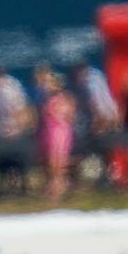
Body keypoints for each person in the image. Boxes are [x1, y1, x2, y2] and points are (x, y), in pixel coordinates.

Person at [0, 66, 33, 195]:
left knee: (17, 159)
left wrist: (17, 126)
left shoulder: (9, 87)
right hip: (0, 129)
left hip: (13, 128)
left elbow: (20, 108)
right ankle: (5, 185)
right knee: (2, 159)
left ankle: (23, 185)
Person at [37, 69, 77, 202]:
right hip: (48, 131)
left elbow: (70, 114)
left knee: (58, 161)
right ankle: (53, 185)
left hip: (59, 131)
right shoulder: (46, 99)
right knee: (50, 162)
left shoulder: (65, 98)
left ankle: (58, 186)